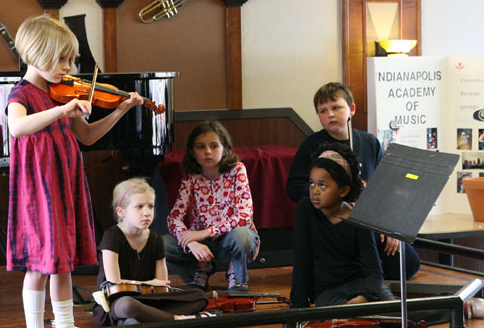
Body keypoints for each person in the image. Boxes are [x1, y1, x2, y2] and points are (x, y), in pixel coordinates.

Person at [6, 14, 143, 328]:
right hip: (38, 191)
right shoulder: (22, 93)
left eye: (71, 60)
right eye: (62, 59)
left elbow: (86, 136)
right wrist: (62, 110)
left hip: (64, 184)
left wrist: (121, 111)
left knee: (62, 263)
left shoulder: (58, 92)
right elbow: (18, 127)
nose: (69, 68)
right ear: (35, 54)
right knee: (38, 265)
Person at [286, 82, 420, 280]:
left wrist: (391, 227)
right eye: (323, 111)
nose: (330, 114)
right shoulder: (312, 145)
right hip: (331, 221)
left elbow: (387, 188)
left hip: (368, 220)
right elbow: (294, 186)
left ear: (352, 109)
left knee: (409, 265)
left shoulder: (369, 142)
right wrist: (330, 197)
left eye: (336, 107)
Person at [290, 143, 396, 308]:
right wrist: (299, 307)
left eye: (322, 185)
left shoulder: (358, 217)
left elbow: (374, 272)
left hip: (362, 286)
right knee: (341, 316)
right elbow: (302, 261)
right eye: (312, 183)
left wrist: (365, 296)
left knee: (396, 314)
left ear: (344, 191)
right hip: (328, 292)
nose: (315, 191)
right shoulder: (305, 209)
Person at [93, 178, 209, 326]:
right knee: (127, 305)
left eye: (151, 206)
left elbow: (161, 285)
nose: (147, 212)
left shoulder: (156, 239)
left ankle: (140, 318)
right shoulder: (112, 236)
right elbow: (114, 283)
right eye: (139, 207)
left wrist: (154, 287)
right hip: (117, 300)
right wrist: (148, 283)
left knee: (199, 296)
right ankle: (176, 320)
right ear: (121, 212)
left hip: (149, 299)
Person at [164, 121, 259, 292]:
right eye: (201, 147)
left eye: (214, 146)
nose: (208, 151)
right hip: (203, 243)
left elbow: (244, 216)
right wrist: (191, 242)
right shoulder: (191, 176)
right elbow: (174, 218)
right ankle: (199, 272)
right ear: (193, 152)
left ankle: (237, 276)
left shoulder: (237, 170)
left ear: (225, 149)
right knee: (162, 245)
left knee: (243, 236)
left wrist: (204, 233)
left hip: (230, 238)